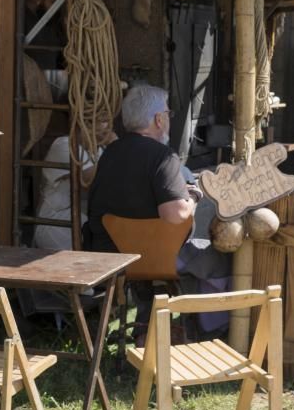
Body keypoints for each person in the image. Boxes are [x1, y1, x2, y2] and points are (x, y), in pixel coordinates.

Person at [84, 84, 228, 339]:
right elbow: (176, 214)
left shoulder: (109, 155)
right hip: (155, 259)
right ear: (159, 120)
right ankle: (208, 333)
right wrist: (193, 195)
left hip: (113, 258)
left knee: (174, 261)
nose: (169, 120)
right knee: (218, 259)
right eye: (168, 115)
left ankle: (148, 328)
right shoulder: (163, 157)